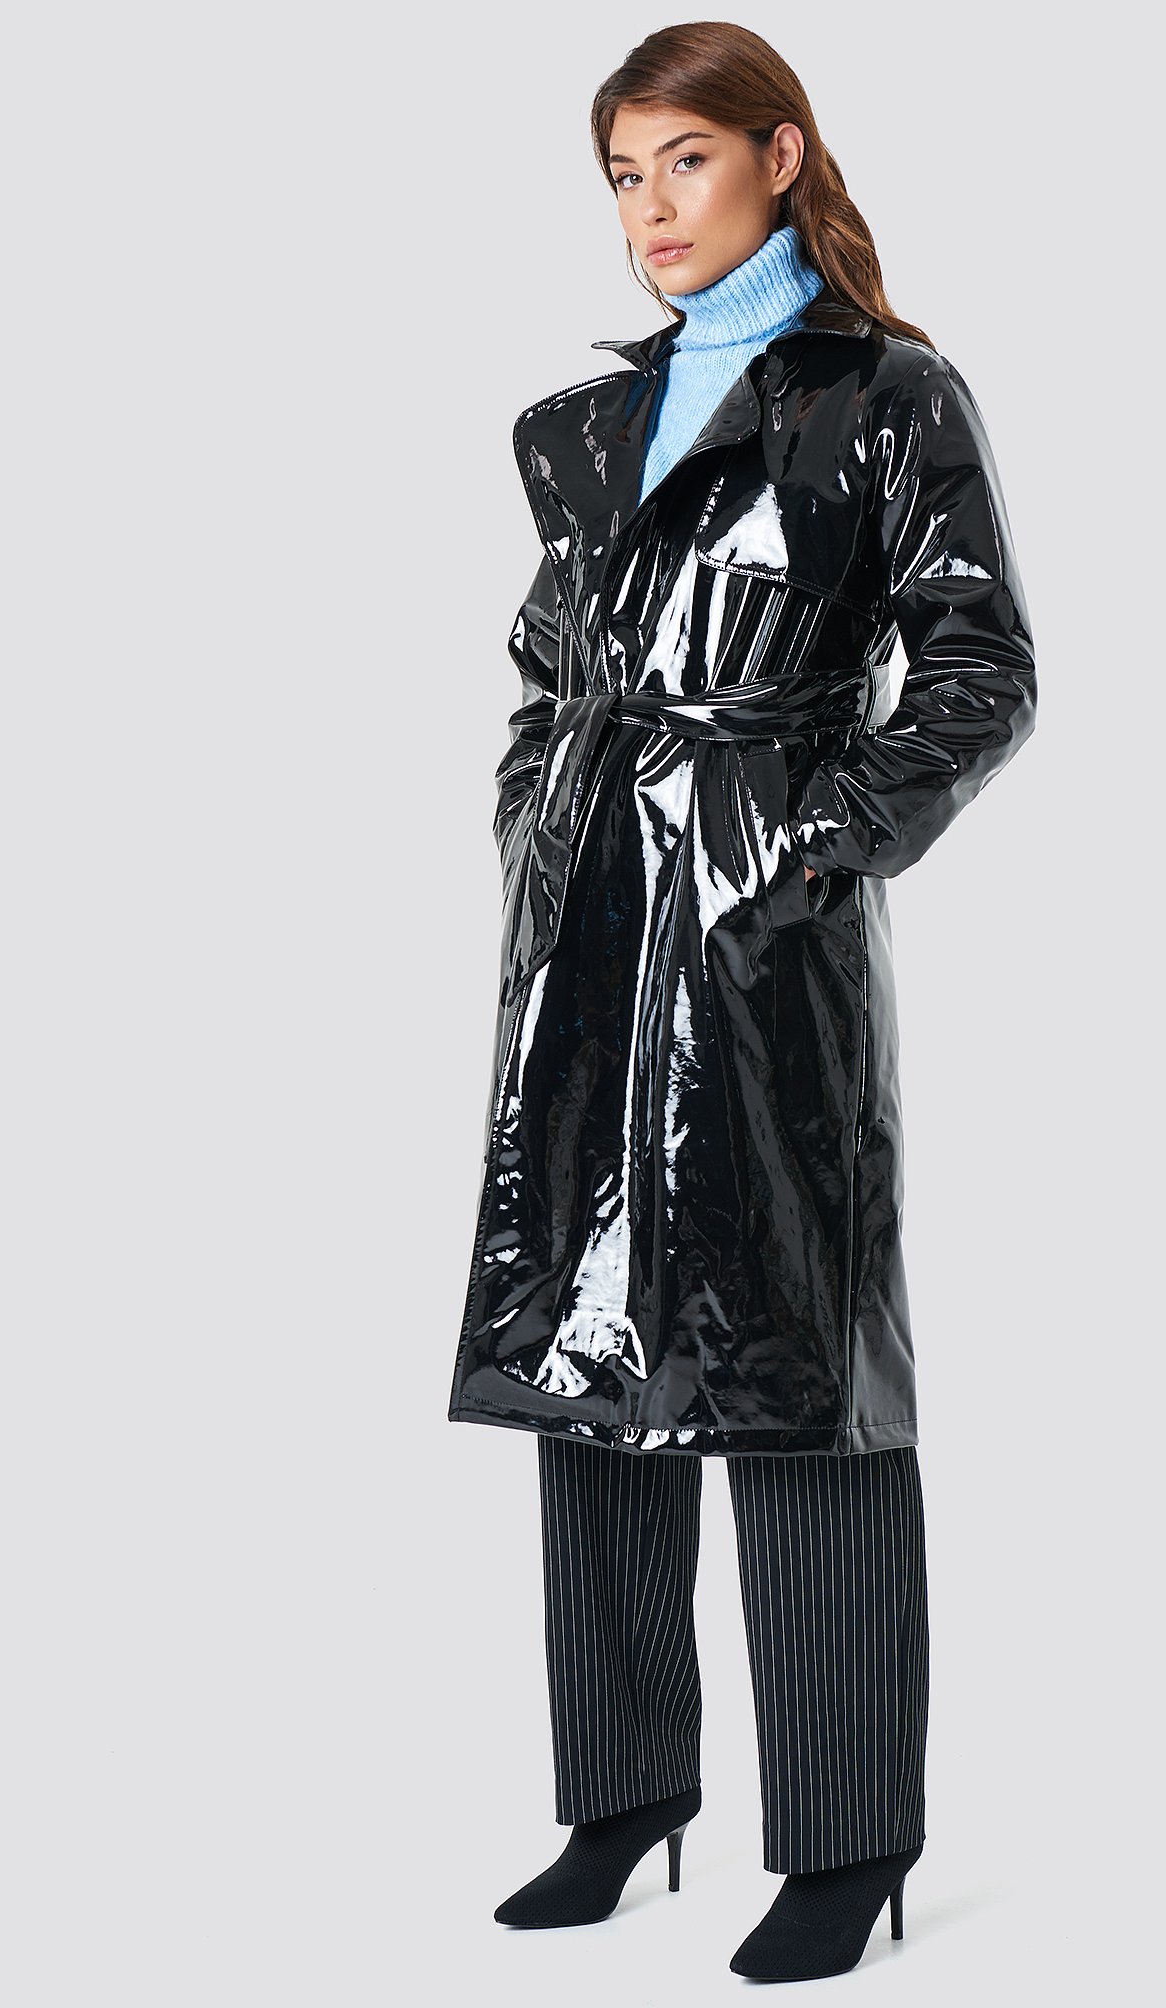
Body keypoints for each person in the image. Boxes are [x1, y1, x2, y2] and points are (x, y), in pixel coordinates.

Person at [447, 21, 1036, 1984]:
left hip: (766, 933)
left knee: (801, 1371)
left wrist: (811, 842)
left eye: (682, 162)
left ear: (780, 156)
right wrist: (537, 827)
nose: (649, 209)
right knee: (585, 1344)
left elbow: (980, 667)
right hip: (591, 925)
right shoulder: (579, 425)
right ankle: (624, 1795)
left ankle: (849, 1837)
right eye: (622, 176)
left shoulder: (891, 396)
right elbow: (546, 670)